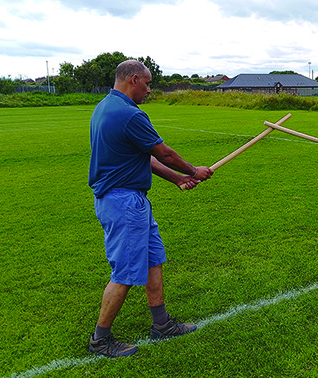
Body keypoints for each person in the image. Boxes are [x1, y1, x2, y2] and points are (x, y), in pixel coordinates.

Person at [88, 59, 213, 357]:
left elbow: (143, 157)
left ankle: (162, 325)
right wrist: (193, 170)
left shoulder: (105, 106)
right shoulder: (130, 114)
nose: (149, 90)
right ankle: (99, 340)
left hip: (130, 201)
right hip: (123, 203)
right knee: (126, 272)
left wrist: (178, 179)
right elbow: (163, 153)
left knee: (152, 260)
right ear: (133, 79)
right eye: (147, 84)